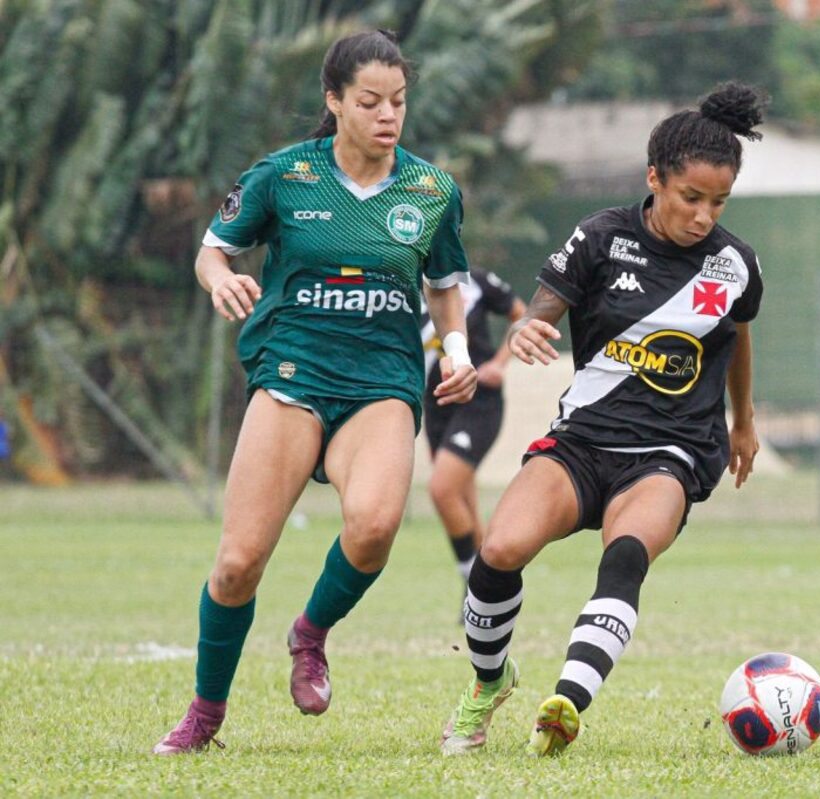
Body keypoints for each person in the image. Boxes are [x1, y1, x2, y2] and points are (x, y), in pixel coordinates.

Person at [153, 30, 477, 755]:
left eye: (398, 100)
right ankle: (205, 713)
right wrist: (222, 278)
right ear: (333, 101)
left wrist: (454, 349)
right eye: (370, 101)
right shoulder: (284, 175)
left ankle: (311, 633)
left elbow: (447, 286)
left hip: (383, 380)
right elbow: (214, 248)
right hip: (292, 372)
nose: (388, 114)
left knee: (373, 526)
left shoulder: (431, 191)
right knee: (238, 562)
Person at [438, 82, 766, 757]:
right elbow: (541, 312)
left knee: (626, 552)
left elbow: (738, 335)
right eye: (691, 198)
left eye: (719, 202)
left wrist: (744, 422)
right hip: (582, 442)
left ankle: (566, 703)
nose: (705, 216)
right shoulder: (601, 236)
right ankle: (488, 682)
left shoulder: (735, 264)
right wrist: (529, 331)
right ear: (655, 179)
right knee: (497, 553)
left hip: (672, 451)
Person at [419, 268, 526, 605]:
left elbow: (521, 314)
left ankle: (473, 584)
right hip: (435, 402)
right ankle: (489, 595)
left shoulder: (475, 282)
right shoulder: (400, 281)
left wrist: (500, 363)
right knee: (462, 501)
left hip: (477, 399)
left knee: (441, 489)